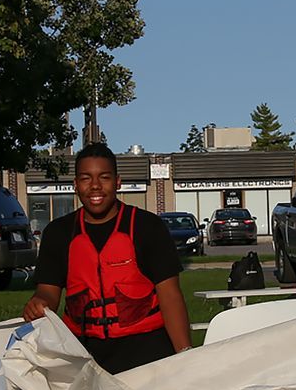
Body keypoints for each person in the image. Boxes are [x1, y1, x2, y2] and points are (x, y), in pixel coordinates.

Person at [23, 143, 193, 373]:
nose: (95, 186)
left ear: (118, 182)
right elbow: (47, 292)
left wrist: (186, 357)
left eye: (104, 177)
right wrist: (39, 303)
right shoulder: (58, 233)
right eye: (86, 178)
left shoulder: (147, 227)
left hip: (146, 351)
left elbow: (170, 296)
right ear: (75, 185)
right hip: (83, 353)